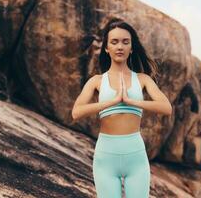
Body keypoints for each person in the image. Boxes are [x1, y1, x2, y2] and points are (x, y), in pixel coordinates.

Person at [71, 18, 172, 198]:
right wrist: (112, 102)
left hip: (136, 157)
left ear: (132, 48)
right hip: (106, 158)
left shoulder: (142, 79)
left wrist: (133, 102)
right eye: (114, 42)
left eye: (125, 42)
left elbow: (166, 108)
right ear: (106, 48)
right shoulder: (96, 81)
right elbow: (76, 112)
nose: (120, 47)